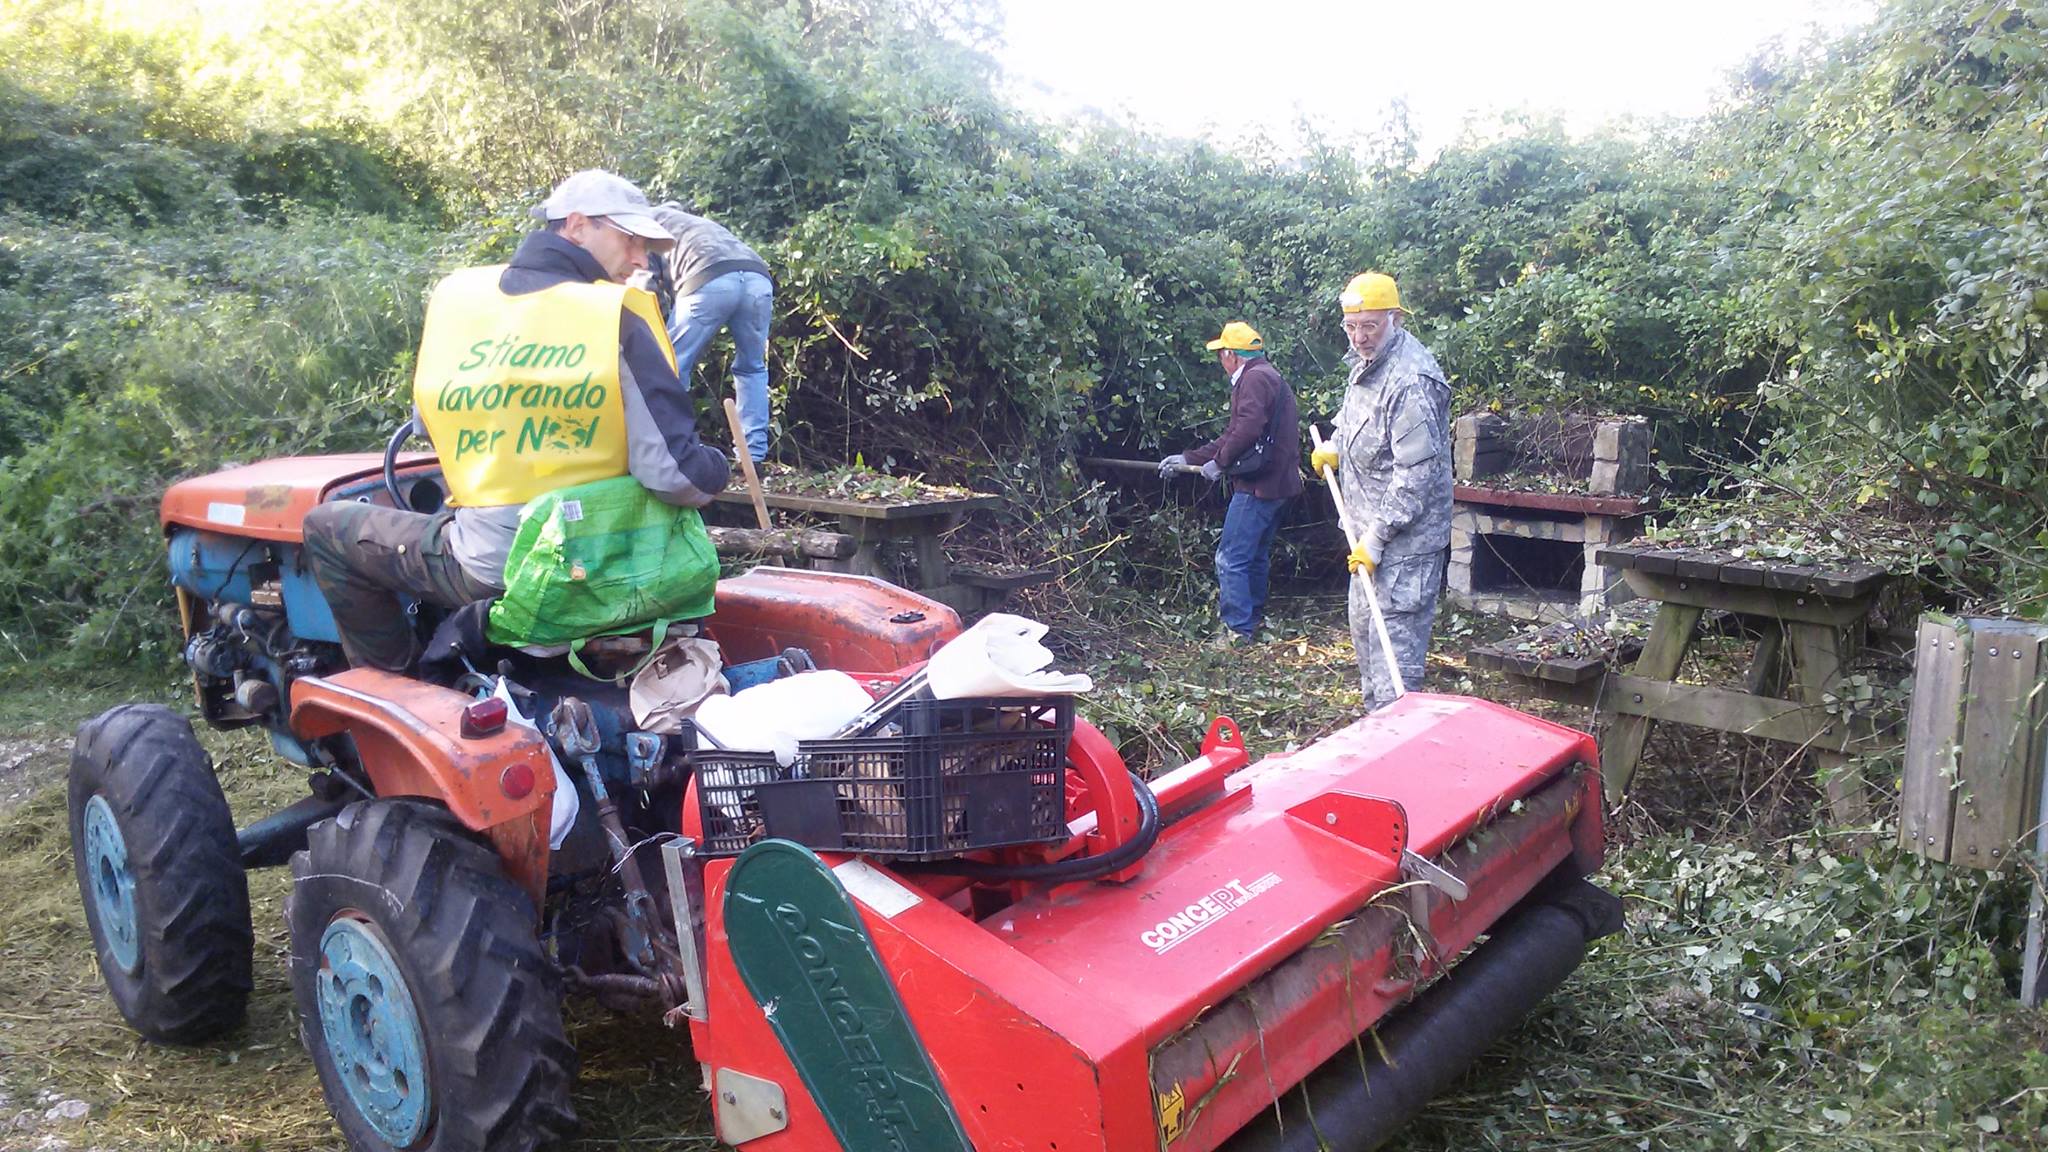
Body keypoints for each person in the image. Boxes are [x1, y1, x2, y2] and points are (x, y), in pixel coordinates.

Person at [303, 169, 732, 672]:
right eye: (630, 239)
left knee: (324, 526)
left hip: (490, 566)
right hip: (601, 565)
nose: (640, 259)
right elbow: (675, 475)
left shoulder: (460, 304)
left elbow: (429, 426)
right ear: (576, 226)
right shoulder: (612, 316)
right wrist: (716, 466)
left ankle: (397, 688)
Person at [1309, 272, 1452, 710]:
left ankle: (1402, 771)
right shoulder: (1368, 366)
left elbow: (1416, 477)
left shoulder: (1411, 381)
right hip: (1366, 543)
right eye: (1351, 327)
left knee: (1396, 683)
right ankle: (1373, 757)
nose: (1360, 337)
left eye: (1369, 326)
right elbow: (1357, 424)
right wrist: (1335, 448)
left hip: (1403, 550)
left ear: (1394, 318)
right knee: (1370, 666)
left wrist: (1376, 537)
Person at [1158, 321, 1304, 646]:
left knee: (1231, 557)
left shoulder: (1252, 379)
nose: (1220, 362)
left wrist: (1220, 463)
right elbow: (1234, 435)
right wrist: (1190, 458)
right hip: (1279, 484)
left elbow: (1247, 429)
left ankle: (1237, 631)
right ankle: (1252, 620)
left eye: (1220, 354)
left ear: (1230, 355)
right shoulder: (1267, 376)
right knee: (1254, 556)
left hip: (1259, 487)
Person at [648, 202, 775, 463]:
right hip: (758, 278)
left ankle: (674, 449)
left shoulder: (643, 228)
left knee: (671, 365)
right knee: (752, 368)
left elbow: (647, 289)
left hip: (707, 277)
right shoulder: (698, 225)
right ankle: (753, 457)